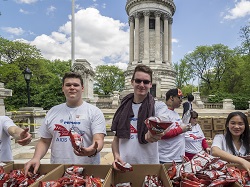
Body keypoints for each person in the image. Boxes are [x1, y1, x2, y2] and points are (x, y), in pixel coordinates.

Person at [24, 72, 106, 175]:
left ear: (82, 88)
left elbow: (99, 139)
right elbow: (44, 141)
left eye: (76, 85)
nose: (72, 87)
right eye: (68, 85)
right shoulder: (53, 111)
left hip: (87, 170)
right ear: (63, 88)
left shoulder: (94, 112)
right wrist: (36, 158)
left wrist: (92, 150)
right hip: (59, 169)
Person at [111, 64, 167, 168]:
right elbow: (116, 140)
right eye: (138, 81)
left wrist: (154, 130)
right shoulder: (122, 107)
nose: (142, 85)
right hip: (124, 165)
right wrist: (116, 156)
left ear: (151, 84)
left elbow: (164, 122)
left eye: (146, 82)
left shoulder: (158, 106)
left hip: (149, 166)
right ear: (132, 82)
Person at [158, 88, 192, 163]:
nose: (181, 100)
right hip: (166, 159)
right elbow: (161, 134)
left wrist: (186, 128)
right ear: (171, 98)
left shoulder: (175, 113)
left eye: (182, 98)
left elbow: (179, 131)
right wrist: (181, 130)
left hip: (177, 157)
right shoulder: (163, 113)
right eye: (179, 97)